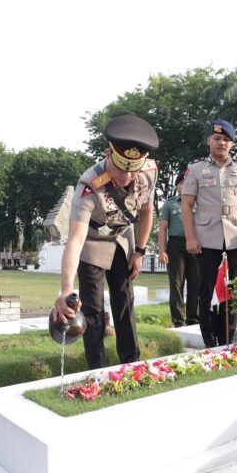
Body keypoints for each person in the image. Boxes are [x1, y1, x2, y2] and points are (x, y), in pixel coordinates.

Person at [52, 115, 158, 370]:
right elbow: (75, 241)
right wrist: (66, 289)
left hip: (122, 239)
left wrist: (140, 251)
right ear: (107, 155)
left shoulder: (148, 172)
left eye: (133, 169)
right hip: (92, 242)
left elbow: (146, 211)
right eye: (121, 169)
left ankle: (132, 364)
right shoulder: (89, 187)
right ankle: (97, 371)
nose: (127, 176)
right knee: (93, 310)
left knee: (124, 302)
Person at [181, 119, 237, 348]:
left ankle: (227, 339)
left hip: (235, 237)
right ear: (209, 140)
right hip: (205, 238)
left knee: (233, 290)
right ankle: (209, 342)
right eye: (217, 138)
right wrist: (190, 237)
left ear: (232, 144)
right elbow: (186, 205)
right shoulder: (196, 169)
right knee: (205, 291)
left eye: (226, 140)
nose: (221, 143)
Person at [158, 172, 199, 327]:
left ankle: (194, 320)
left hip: (196, 244)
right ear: (177, 185)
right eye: (182, 183)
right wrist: (162, 251)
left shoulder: (199, 203)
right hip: (176, 245)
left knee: (196, 283)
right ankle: (178, 322)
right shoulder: (170, 204)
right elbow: (162, 229)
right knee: (176, 284)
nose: (185, 186)